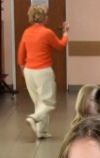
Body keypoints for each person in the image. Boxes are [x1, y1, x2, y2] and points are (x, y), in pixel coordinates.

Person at [18, 3, 69, 142]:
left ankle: (42, 131)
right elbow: (61, 46)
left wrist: (24, 71)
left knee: (38, 103)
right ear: (43, 17)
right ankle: (33, 118)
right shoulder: (47, 33)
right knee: (48, 103)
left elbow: (20, 55)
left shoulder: (27, 32)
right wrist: (65, 32)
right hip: (43, 71)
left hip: (29, 71)